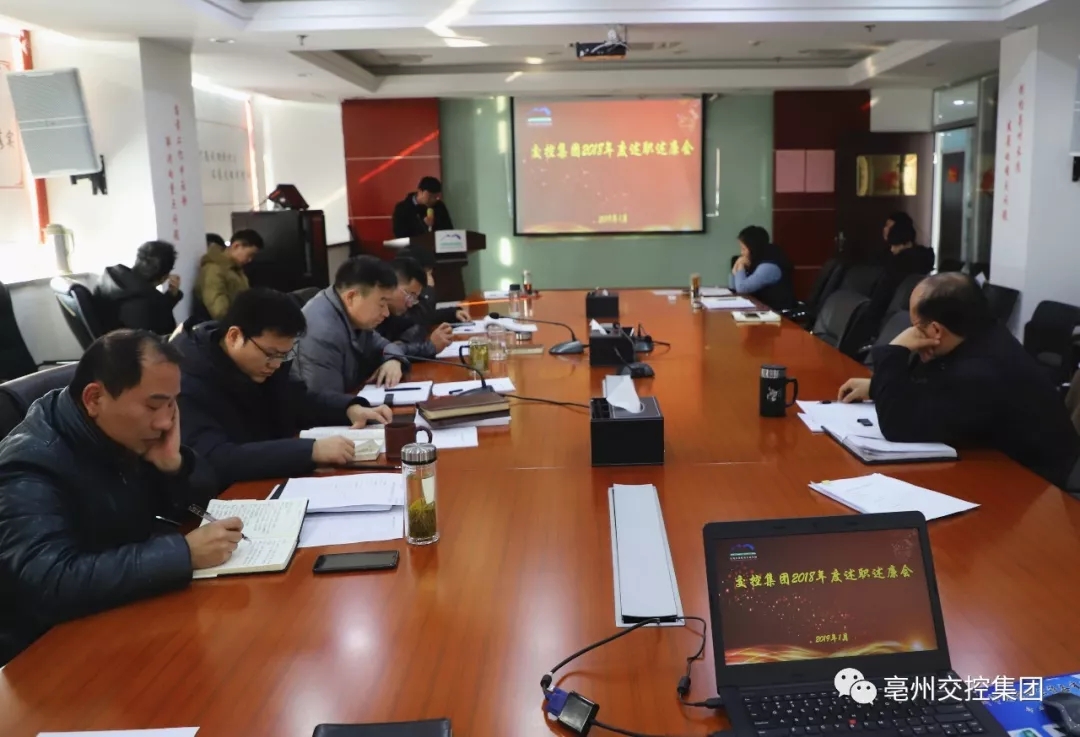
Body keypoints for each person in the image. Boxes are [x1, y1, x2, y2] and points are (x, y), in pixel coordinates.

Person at [0, 330, 241, 665]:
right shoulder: (30, 464)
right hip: (58, 652)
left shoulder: (121, 432)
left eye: (172, 403)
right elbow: (49, 582)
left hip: (127, 610)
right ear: (94, 398)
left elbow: (195, 504)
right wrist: (183, 554)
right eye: (153, 405)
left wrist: (174, 466)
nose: (165, 421)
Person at [837, 273, 1080, 488]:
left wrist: (895, 350)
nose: (911, 335)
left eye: (914, 327)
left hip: (1039, 486)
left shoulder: (981, 371)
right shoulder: (981, 333)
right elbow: (929, 388)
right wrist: (877, 387)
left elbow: (897, 425)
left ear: (936, 330)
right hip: (1005, 466)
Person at [173, 288, 392, 487]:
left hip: (270, 480)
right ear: (234, 336)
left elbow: (298, 402)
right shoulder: (186, 381)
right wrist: (310, 451)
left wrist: (348, 409)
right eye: (271, 354)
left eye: (284, 355)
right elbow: (213, 458)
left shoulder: (263, 364)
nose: (276, 364)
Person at [293, 256, 409, 394]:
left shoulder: (355, 318)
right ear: (351, 297)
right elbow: (324, 399)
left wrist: (394, 360)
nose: (386, 313)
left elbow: (384, 345)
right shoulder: (322, 332)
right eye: (381, 304)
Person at [95, 240, 183, 335]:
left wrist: (170, 296)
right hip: (133, 343)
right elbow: (168, 337)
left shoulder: (108, 278)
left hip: (108, 340)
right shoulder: (151, 304)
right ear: (164, 277)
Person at [377, 257, 454, 359]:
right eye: (410, 295)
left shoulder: (395, 315)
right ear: (392, 285)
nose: (410, 304)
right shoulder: (372, 314)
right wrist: (430, 347)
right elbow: (381, 352)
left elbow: (419, 321)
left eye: (414, 298)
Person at [865, 218, 936, 324]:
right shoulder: (922, 261)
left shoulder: (899, 265)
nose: (892, 250)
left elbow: (880, 301)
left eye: (895, 245)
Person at [195, 229, 263, 320]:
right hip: (226, 325)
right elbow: (219, 311)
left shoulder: (235, 270)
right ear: (236, 246)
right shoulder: (214, 269)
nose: (250, 260)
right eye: (250, 255)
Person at [399, 246, 470, 327]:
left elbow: (429, 315)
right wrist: (428, 290)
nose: (431, 279)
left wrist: (453, 313)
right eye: (428, 274)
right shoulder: (399, 302)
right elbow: (421, 320)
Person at [728, 225, 795, 311]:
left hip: (776, 312)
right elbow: (733, 288)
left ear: (753, 247)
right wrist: (735, 268)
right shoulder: (755, 259)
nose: (741, 253)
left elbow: (742, 289)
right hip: (761, 309)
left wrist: (740, 265)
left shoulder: (769, 266)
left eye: (743, 249)